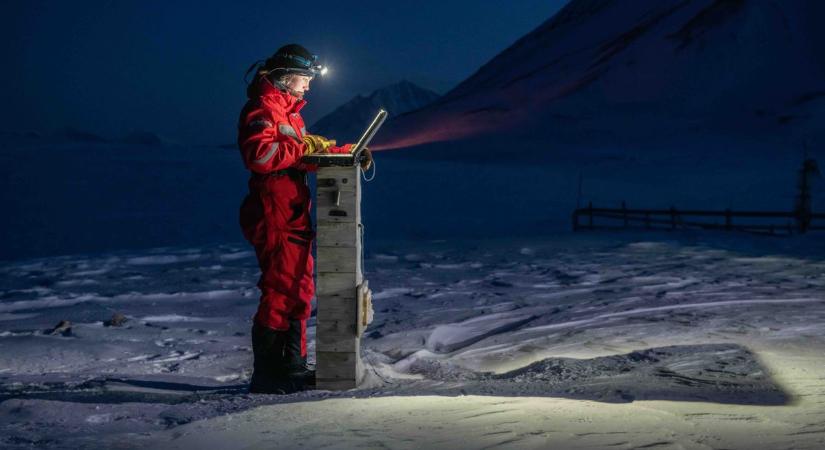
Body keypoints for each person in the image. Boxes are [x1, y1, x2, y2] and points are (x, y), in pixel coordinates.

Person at [236, 44, 370, 394]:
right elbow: (262, 156)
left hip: (292, 213)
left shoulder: (289, 113)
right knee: (281, 290)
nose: (308, 86)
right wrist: (305, 146)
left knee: (299, 288)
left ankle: (291, 365)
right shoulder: (263, 108)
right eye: (304, 78)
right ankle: (269, 373)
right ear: (284, 77)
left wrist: (343, 153)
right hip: (274, 212)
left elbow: (296, 155)